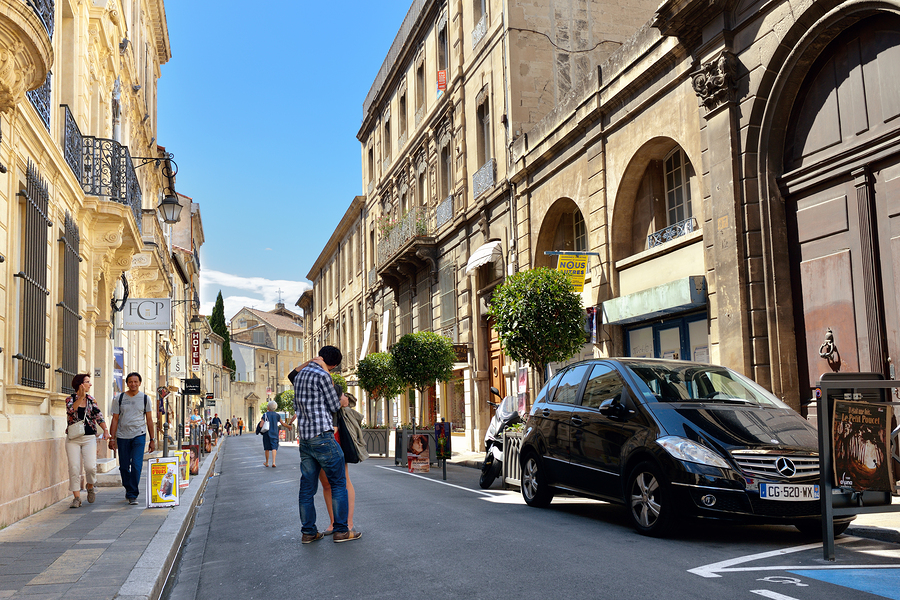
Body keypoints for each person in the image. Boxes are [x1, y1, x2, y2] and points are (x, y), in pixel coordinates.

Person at [286, 346, 360, 544]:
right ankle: (342, 531)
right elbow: (334, 405)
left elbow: (291, 375)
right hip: (323, 436)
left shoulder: (300, 376)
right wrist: (338, 394)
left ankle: (308, 532)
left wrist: (310, 362)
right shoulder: (323, 375)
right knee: (338, 483)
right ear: (334, 365)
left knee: (307, 488)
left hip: (305, 439)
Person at [317, 392, 368, 535]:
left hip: (334, 439)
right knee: (326, 484)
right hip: (318, 440)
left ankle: (348, 522)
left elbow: (343, 403)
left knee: (343, 481)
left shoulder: (334, 387)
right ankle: (333, 523)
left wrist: (341, 400)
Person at [109, 372, 155, 505]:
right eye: (130, 382)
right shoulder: (120, 398)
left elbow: (149, 419)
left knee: (136, 465)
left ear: (140, 383)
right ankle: (128, 488)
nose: (133, 384)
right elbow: (115, 419)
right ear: (127, 383)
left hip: (139, 435)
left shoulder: (145, 398)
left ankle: (132, 494)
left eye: (136, 382)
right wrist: (112, 438)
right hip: (123, 436)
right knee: (124, 467)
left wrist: (152, 439)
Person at [65, 374, 110, 508]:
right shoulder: (70, 399)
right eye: (87, 382)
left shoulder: (92, 400)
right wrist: (81, 396)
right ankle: (77, 498)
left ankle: (90, 485)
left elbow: (99, 416)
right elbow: (72, 410)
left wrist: (106, 430)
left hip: (89, 437)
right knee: (74, 468)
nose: (90, 385)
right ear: (80, 384)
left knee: (90, 467)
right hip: (73, 438)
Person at [260, 400, 284, 467]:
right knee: (274, 447)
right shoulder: (277, 415)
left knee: (267, 448)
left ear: (268, 407)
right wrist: (288, 426)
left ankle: (267, 462)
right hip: (274, 433)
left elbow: (261, 425)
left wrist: (259, 428)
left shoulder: (265, 414)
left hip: (267, 433)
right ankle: (273, 462)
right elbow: (282, 423)